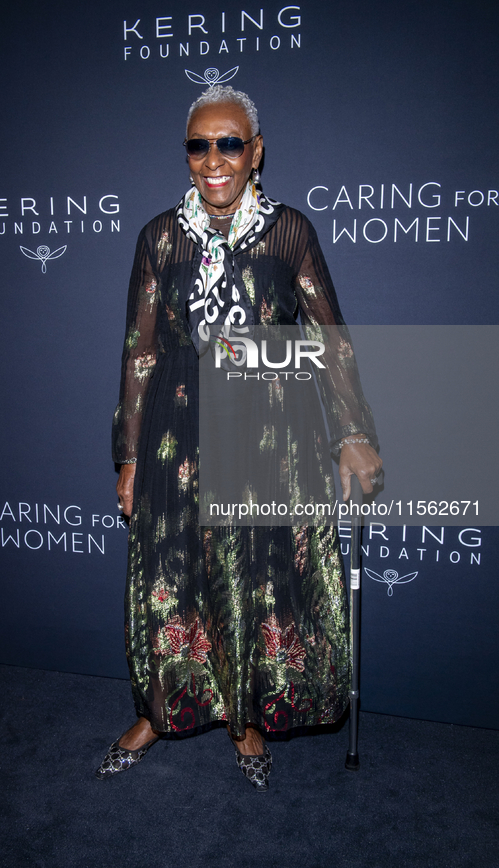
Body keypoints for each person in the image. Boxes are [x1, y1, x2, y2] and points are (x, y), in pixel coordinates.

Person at [96, 86, 382, 790]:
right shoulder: (159, 236)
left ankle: (245, 719)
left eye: (229, 143)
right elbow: (139, 352)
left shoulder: (290, 232)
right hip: (174, 436)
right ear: (188, 156)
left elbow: (326, 338)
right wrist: (128, 456)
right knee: (170, 580)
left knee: (251, 579)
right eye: (199, 145)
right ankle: (158, 711)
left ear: (255, 153)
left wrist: (352, 432)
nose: (213, 158)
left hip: (265, 436)